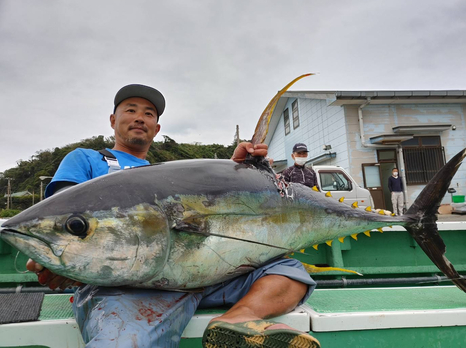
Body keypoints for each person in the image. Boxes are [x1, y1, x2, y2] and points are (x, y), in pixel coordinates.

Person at [26, 84, 319, 348]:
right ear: (113, 121)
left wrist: (237, 173)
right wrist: (51, 254)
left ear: (157, 128)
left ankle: (239, 318)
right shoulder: (87, 159)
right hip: (122, 286)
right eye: (131, 110)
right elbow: (62, 217)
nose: (140, 117)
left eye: (149, 113)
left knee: (290, 273)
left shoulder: (171, 172)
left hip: (203, 276)